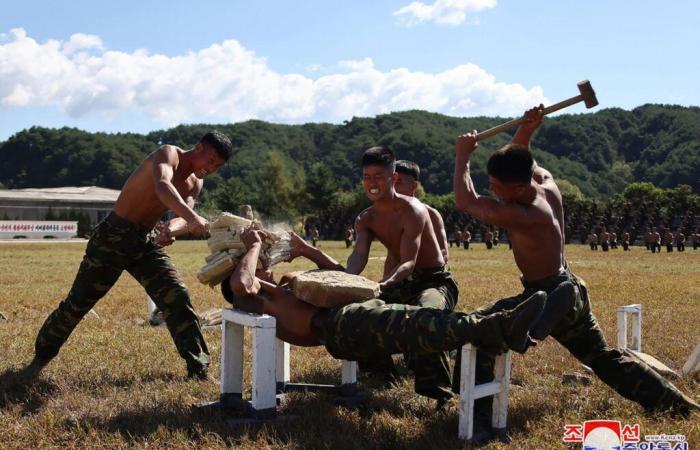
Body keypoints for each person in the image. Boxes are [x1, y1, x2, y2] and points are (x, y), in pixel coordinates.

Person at [453, 105, 699, 438]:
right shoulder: (544, 182)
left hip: (547, 294)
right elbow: (521, 155)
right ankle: (676, 404)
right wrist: (527, 128)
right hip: (568, 286)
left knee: (482, 329)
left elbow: (466, 201)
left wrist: (462, 156)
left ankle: (481, 418)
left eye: (496, 185)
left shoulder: (524, 214)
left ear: (516, 189)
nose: (491, 188)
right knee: (603, 357)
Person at [26, 131, 232, 380]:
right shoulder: (168, 154)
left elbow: (184, 214)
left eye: (217, 166)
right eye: (210, 161)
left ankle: (198, 368)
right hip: (113, 235)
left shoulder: (196, 183)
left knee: (176, 295)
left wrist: (171, 229)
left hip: (144, 241)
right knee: (78, 303)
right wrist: (191, 219)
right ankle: (40, 358)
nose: (211, 169)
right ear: (198, 148)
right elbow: (163, 187)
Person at [219, 227, 546, 376]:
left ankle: (509, 313)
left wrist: (308, 250)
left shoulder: (284, 285)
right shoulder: (249, 294)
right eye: (259, 264)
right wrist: (252, 247)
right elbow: (242, 281)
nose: (265, 267)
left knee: (421, 320)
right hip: (337, 327)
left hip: (350, 317)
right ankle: (500, 326)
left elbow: (339, 276)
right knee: (417, 324)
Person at [346, 146, 457, 405]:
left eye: (378, 176)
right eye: (366, 177)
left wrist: (382, 285)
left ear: (393, 177)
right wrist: (347, 281)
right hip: (399, 282)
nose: (372, 183)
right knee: (358, 313)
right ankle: (380, 376)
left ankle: (439, 391)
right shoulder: (365, 218)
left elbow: (408, 262)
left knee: (427, 314)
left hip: (433, 281)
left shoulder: (413, 210)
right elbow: (359, 256)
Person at [394, 160, 449, 263]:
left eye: (398, 182)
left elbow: (443, 253)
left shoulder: (431, 215)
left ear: (413, 186)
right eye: (391, 182)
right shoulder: (390, 215)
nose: (393, 187)